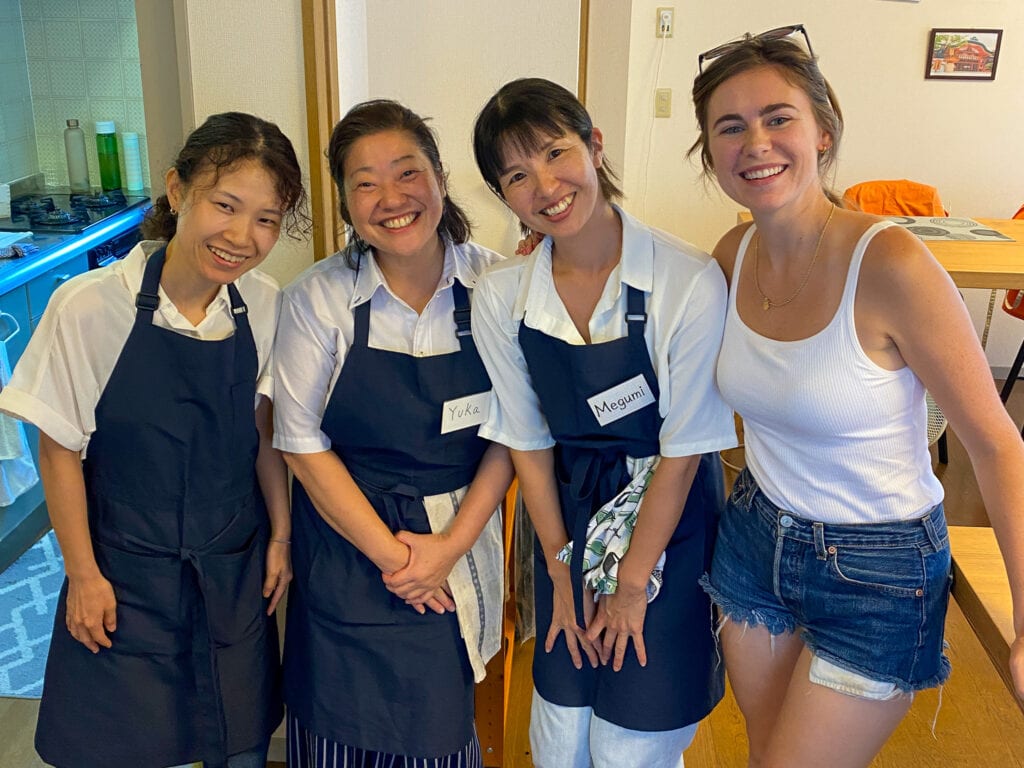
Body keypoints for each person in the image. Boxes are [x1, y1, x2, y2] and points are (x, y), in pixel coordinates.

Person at [689, 26, 1024, 767]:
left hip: (880, 565)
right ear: (710, 153)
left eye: (779, 119)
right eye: (731, 127)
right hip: (755, 538)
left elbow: (997, 442)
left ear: (823, 132)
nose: (757, 143)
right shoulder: (728, 254)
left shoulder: (893, 264)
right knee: (763, 752)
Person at [0, 112, 309, 768]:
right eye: (225, 206)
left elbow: (264, 431)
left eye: (266, 219)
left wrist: (281, 537)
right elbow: (57, 449)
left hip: (232, 573)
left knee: (241, 749)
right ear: (177, 191)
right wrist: (82, 575)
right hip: (125, 579)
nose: (241, 236)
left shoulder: (264, 300)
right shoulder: (90, 306)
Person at [471, 78, 736, 768]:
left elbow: (682, 452)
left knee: (633, 745)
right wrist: (561, 576)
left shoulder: (686, 280)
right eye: (517, 176)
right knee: (559, 738)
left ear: (594, 146)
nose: (546, 186)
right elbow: (527, 441)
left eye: (557, 153)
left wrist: (629, 585)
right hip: (568, 516)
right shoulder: (503, 296)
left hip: (667, 524)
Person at [273, 99, 511, 767]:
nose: (391, 198)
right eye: (365, 183)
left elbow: (516, 433)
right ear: (346, 204)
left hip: (455, 544)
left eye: (407, 173)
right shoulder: (317, 298)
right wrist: (397, 560)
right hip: (348, 548)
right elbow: (298, 442)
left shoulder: (497, 285)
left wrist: (446, 550)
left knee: (440, 733)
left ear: (439, 178)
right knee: (335, 734)